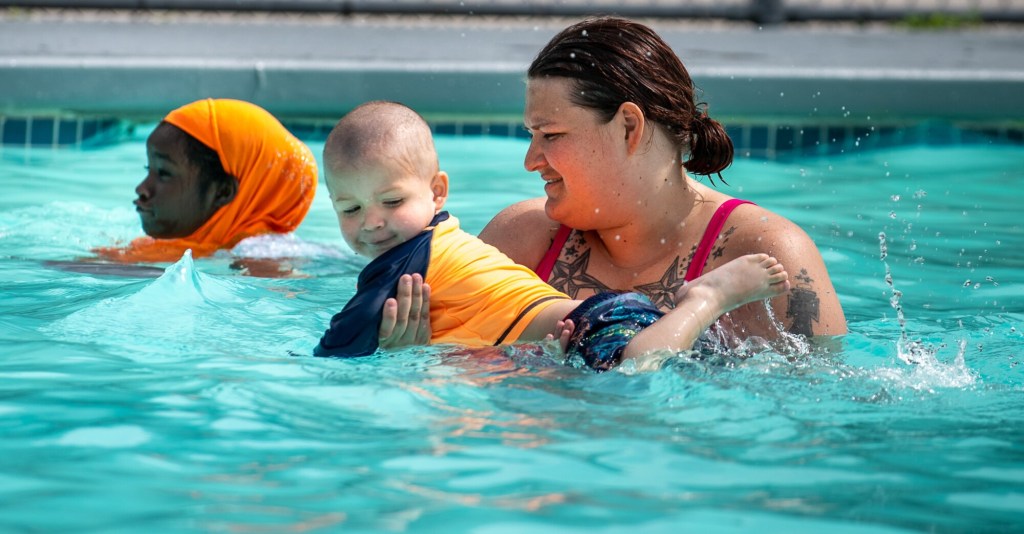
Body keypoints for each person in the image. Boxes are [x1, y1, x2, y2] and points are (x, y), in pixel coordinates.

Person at [314, 101, 791, 370]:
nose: (372, 223)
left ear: (438, 191)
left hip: (596, 324)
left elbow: (337, 351)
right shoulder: (444, 236)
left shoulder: (398, 267)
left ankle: (705, 299)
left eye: (392, 203)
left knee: (637, 368)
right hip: (596, 319)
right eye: (350, 209)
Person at [461, 16, 845, 344]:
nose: (531, 161)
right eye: (531, 136)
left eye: (551, 135)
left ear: (629, 127)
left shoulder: (764, 257)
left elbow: (817, 410)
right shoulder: (522, 241)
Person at [93, 98, 318, 265]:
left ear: (221, 192)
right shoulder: (188, 245)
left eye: (163, 173)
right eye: (148, 169)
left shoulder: (260, 257)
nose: (142, 189)